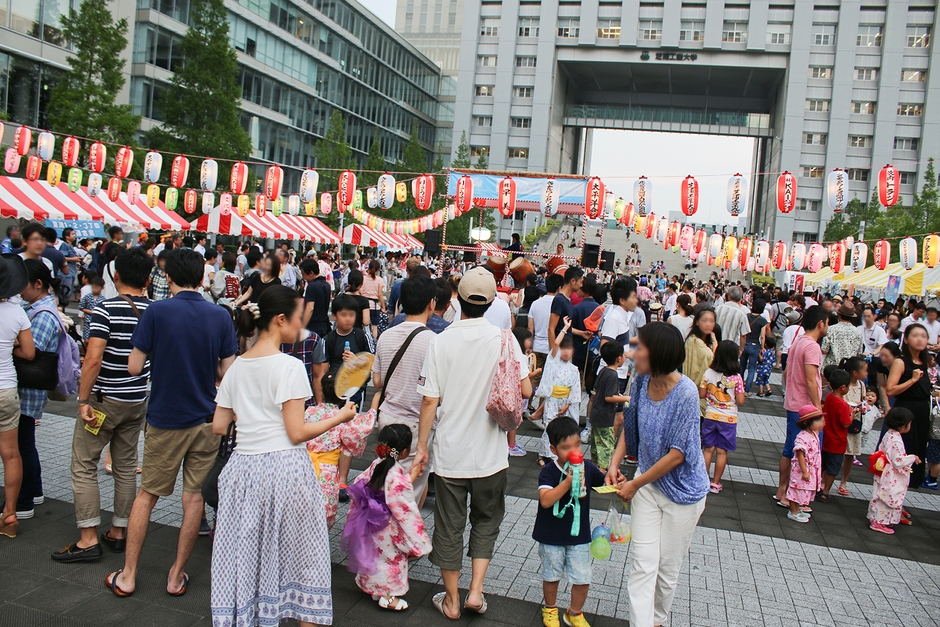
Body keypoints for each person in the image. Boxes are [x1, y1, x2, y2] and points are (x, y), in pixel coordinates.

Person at [210, 285, 348, 626]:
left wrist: (251, 412)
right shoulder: (288, 366)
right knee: (305, 557)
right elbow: (296, 432)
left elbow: (219, 425)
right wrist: (341, 417)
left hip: (243, 471)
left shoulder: (237, 367)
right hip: (285, 470)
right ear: (281, 320)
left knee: (248, 559)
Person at [105, 249, 238, 597]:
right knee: (193, 499)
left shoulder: (157, 311)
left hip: (165, 418)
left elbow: (134, 367)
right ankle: (176, 576)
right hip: (207, 420)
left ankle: (129, 574)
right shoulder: (220, 316)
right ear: (202, 278)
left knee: (147, 494)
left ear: (168, 277)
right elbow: (228, 372)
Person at [415, 267, 533, 621]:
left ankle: (451, 599)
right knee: (486, 521)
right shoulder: (505, 338)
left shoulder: (441, 341)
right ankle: (476, 592)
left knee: (449, 526)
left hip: (450, 452)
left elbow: (429, 401)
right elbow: (525, 391)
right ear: (492, 301)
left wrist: (422, 448)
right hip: (492, 455)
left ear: (459, 300)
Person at [52, 248, 153, 562]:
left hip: (104, 399)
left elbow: (93, 358)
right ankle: (119, 531)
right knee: (125, 467)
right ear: (148, 278)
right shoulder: (155, 311)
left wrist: (82, 399)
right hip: (137, 398)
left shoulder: (105, 309)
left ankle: (87, 538)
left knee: (84, 465)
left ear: (116, 275)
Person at [605, 323, 709, 627]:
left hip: (683, 495)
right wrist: (615, 462)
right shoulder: (640, 381)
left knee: (666, 569)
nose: (632, 353)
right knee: (642, 563)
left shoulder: (686, 393)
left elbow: (678, 454)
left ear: (659, 353)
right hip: (648, 488)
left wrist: (634, 484)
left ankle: (658, 619)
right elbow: (631, 423)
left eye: (639, 347)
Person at [343, 424, 432, 611]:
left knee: (375, 556)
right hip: (388, 526)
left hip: (371, 521)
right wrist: (419, 538)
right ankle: (388, 596)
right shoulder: (395, 473)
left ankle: (375, 589)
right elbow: (403, 503)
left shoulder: (377, 464)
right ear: (405, 451)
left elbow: (360, 483)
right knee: (391, 560)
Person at [533, 417, 606, 627]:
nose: (574, 450)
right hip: (551, 536)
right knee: (551, 575)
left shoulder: (587, 467)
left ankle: (574, 613)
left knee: (583, 577)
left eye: (577, 445)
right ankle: (550, 609)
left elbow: (603, 483)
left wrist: (615, 480)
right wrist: (568, 481)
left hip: (579, 536)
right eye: (566, 447)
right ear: (554, 450)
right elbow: (546, 501)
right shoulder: (548, 471)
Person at [371, 277, 437, 503]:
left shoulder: (386, 336)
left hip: (387, 420)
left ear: (400, 303)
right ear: (432, 304)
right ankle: (398, 534)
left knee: (386, 481)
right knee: (408, 492)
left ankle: (378, 526)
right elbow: (433, 395)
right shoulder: (433, 342)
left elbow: (377, 382)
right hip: (416, 425)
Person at [17, 259, 66, 519]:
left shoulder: (43, 313)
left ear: (38, 284)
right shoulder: (39, 306)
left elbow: (30, 351)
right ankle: (33, 491)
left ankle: (24, 500)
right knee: (26, 443)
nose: (18, 289)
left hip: (29, 388)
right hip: (30, 387)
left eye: (23, 284)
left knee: (22, 445)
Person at [776, 306, 828, 506]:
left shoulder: (798, 342)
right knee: (806, 451)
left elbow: (789, 371)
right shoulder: (812, 346)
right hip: (805, 408)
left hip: (793, 403)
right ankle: (793, 496)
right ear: (820, 323)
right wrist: (818, 409)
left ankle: (783, 491)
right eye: (827, 323)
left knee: (790, 448)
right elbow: (810, 380)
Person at [0, 254, 33, 537]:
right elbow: (29, 352)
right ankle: (10, 514)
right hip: (6, 388)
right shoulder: (17, 313)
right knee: (11, 454)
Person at [885, 323, 931, 489]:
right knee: (902, 453)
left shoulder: (924, 361)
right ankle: (893, 497)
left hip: (922, 411)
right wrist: (912, 380)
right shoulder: (901, 362)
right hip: (905, 410)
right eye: (916, 335)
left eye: (923, 336)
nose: (920, 339)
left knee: (917, 452)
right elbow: (890, 390)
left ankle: (901, 498)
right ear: (906, 339)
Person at [699, 340, 745, 494]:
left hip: (710, 415)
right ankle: (715, 483)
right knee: (721, 451)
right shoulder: (737, 378)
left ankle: (703, 481)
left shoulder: (708, 373)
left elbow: (702, 394)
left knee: (708, 449)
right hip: (728, 419)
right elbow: (740, 401)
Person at [532, 321, 581, 463]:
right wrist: (565, 328)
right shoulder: (553, 362)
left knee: (565, 429)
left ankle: (559, 454)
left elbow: (575, 390)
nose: (566, 352)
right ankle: (544, 454)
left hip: (566, 401)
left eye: (569, 349)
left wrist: (568, 404)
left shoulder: (574, 369)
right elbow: (554, 344)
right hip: (553, 399)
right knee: (549, 426)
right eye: (563, 349)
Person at [867, 407, 919, 534]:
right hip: (890, 474)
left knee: (881, 494)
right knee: (887, 497)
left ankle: (885, 519)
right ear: (902, 426)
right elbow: (898, 461)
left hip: (884, 470)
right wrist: (912, 458)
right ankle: (878, 521)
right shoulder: (896, 440)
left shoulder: (889, 434)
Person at [590, 341, 628, 472]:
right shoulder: (613, 375)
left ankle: (595, 469)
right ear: (619, 359)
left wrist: (618, 394)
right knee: (606, 446)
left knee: (596, 445)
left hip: (596, 413)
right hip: (605, 416)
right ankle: (603, 472)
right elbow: (609, 397)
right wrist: (626, 398)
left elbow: (598, 389)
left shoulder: (603, 371)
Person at [818, 368, 853, 502]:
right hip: (837, 442)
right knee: (832, 468)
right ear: (843, 387)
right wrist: (851, 415)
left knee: (822, 465)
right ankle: (826, 491)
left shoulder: (829, 398)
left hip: (826, 437)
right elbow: (845, 423)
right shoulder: (842, 404)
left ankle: (817, 487)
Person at [785, 405, 824, 524]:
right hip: (803, 469)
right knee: (796, 489)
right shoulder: (802, 437)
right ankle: (793, 511)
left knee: (801, 490)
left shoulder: (813, 433)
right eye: (819, 420)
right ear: (808, 422)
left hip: (810, 469)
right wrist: (804, 471)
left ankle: (797, 509)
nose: (822, 423)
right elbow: (800, 455)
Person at [838, 356, 869, 495]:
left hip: (854, 422)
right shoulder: (844, 384)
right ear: (855, 373)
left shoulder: (861, 385)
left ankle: (844, 481)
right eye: (865, 370)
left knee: (850, 454)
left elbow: (863, 401)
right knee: (837, 453)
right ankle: (826, 479)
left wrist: (863, 407)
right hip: (843, 422)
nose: (867, 373)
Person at [682, 307, 717, 406]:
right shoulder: (694, 341)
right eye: (704, 320)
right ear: (697, 322)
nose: (708, 324)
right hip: (696, 390)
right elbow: (711, 358)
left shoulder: (701, 340)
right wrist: (715, 345)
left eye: (711, 321)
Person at [549, 267, 583, 353]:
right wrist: (553, 352)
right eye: (580, 282)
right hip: (559, 349)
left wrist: (581, 333)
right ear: (573, 281)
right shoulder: (560, 300)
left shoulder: (568, 299)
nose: (581, 285)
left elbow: (565, 327)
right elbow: (551, 329)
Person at [821, 301, 863, 367]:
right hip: (849, 369)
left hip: (831, 368)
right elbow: (859, 353)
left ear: (839, 315)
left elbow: (824, 350)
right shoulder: (858, 332)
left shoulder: (830, 329)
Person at [739, 299, 768, 393]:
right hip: (754, 345)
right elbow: (762, 336)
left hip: (744, 343)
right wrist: (762, 347)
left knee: (742, 367)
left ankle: (738, 387)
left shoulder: (746, 316)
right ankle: (746, 390)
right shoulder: (762, 321)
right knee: (752, 369)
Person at [299, 258, 332, 339]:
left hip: (313, 327)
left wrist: (302, 327)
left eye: (304, 274)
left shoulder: (312, 286)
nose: (303, 277)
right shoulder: (327, 285)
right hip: (325, 326)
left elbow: (310, 308)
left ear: (311, 273)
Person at [79, 277, 106, 343]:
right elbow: (81, 306)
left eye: (97, 287)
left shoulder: (103, 299)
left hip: (97, 322)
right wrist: (89, 312)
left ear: (102, 288)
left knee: (94, 339)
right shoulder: (87, 297)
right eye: (94, 287)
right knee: (86, 340)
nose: (95, 289)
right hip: (87, 321)